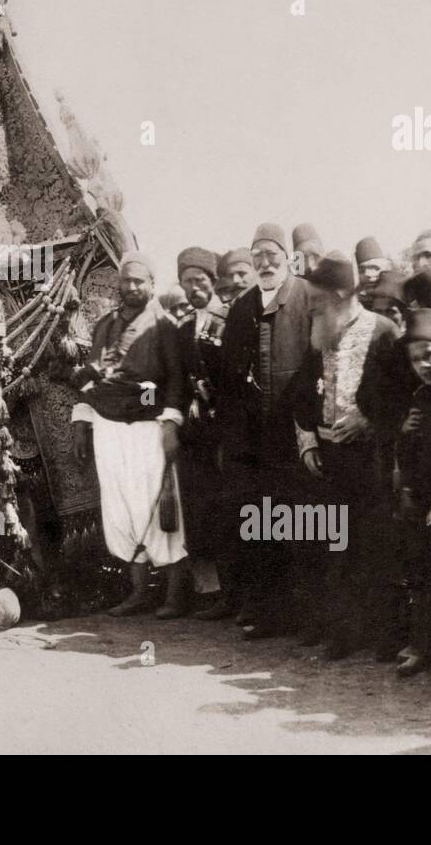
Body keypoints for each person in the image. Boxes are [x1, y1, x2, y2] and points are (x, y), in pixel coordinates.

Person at [294, 251, 400, 660]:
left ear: (341, 293)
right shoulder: (320, 331)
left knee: (376, 546)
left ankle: (384, 635)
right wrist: (307, 440)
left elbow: (404, 398)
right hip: (330, 461)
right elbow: (302, 394)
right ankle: (345, 632)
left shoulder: (383, 331)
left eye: (320, 301)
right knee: (336, 546)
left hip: (371, 459)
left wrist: (370, 422)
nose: (315, 309)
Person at [72, 251, 186, 617]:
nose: (132, 286)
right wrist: (81, 424)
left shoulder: (164, 326)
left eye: (140, 281)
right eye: (127, 280)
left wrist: (169, 424)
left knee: (157, 505)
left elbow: (176, 380)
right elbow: (90, 379)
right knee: (120, 507)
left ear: (152, 285)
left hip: (147, 426)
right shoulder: (104, 325)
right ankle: (140, 592)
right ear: (118, 284)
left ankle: (175, 594)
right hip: (108, 426)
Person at [216, 223, 312, 638]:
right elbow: (228, 379)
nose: (265, 262)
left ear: (287, 257)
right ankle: (268, 612)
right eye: (258, 255)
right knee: (260, 524)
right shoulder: (241, 307)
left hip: (298, 434)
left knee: (305, 524)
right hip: (254, 441)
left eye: (272, 253)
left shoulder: (308, 297)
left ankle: (309, 614)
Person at [391, 308, 431, 678]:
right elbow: (412, 447)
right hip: (423, 495)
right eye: (416, 359)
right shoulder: (421, 394)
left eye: (430, 354)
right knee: (422, 571)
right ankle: (426, 643)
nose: (423, 364)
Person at [173, 247, 228, 619]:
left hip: (225, 427)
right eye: (188, 282)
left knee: (227, 506)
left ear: (213, 282)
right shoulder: (182, 328)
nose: (195, 288)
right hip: (195, 431)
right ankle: (211, 591)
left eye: (201, 281)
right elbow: (176, 379)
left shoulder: (230, 319)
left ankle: (235, 590)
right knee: (200, 507)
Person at [354, 237, 389, 309]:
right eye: (361, 270)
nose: (368, 274)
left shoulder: (398, 298)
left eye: (375, 268)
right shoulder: (355, 304)